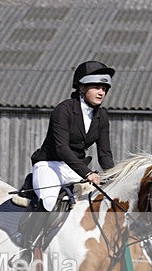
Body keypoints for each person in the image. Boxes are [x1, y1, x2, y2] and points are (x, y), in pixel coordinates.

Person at [22, 60, 116, 258]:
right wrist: (88, 172)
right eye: (97, 87)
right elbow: (61, 147)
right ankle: (26, 247)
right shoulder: (63, 110)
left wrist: (114, 177)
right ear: (82, 87)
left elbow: (105, 154)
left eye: (104, 88)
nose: (102, 92)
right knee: (48, 201)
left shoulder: (102, 117)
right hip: (50, 164)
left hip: (75, 168)